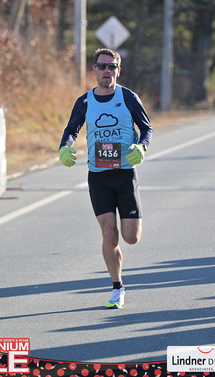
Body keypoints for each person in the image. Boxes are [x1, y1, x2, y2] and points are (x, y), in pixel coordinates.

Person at [59, 48, 153, 308]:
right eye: (102, 66)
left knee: (131, 237)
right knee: (109, 234)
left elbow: (147, 128)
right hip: (98, 178)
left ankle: (120, 276)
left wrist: (142, 147)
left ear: (118, 71)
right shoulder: (85, 101)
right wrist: (64, 147)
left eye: (112, 67)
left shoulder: (128, 97)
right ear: (94, 71)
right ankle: (117, 287)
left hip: (124, 176)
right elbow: (71, 129)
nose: (106, 71)